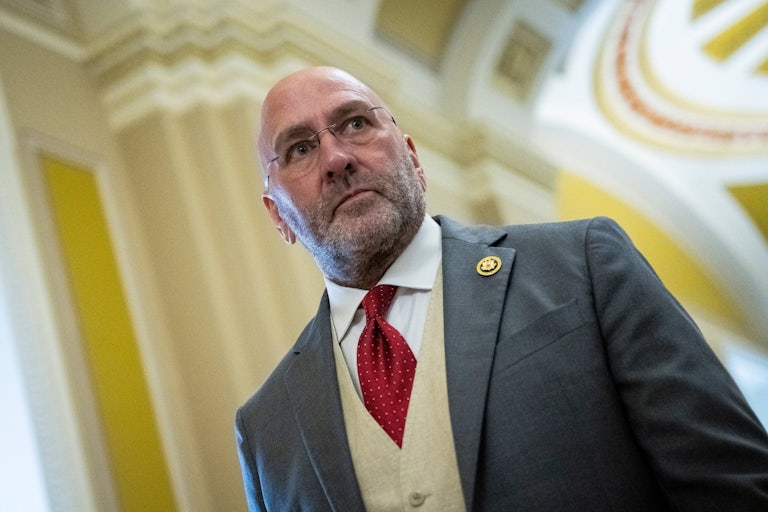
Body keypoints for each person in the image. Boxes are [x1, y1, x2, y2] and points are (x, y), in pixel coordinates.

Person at [235, 66, 768, 511]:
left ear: (414, 160)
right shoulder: (264, 431)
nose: (336, 158)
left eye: (354, 123)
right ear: (277, 216)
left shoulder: (583, 263)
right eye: (300, 149)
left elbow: (732, 485)